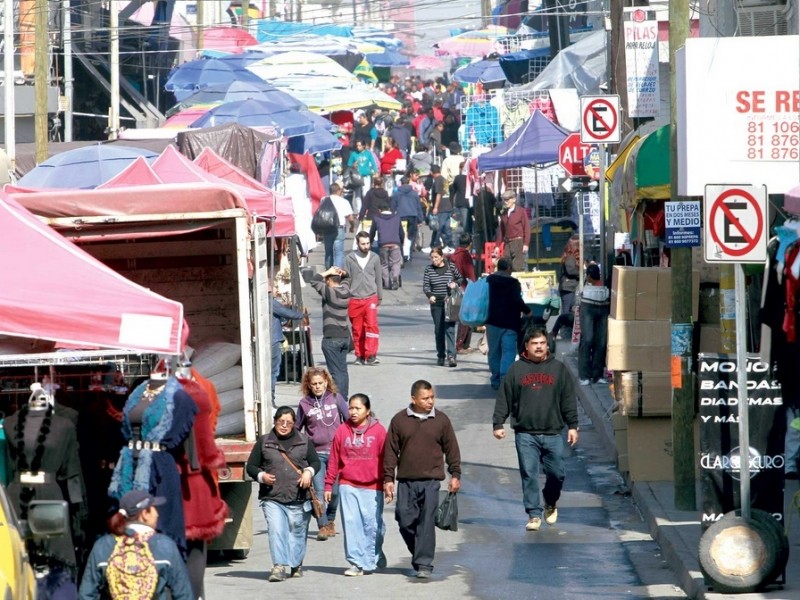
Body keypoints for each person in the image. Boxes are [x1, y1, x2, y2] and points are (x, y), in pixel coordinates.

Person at [492, 326, 579, 532]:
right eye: (534, 344)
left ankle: (550, 501)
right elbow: (505, 397)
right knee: (529, 474)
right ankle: (533, 513)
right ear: (526, 346)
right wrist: (498, 423)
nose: (539, 347)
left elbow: (568, 399)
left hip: (553, 432)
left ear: (547, 345)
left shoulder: (558, 369)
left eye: (542, 343)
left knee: (557, 474)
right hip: (525, 433)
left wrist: (573, 426)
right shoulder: (517, 370)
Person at [383, 380, 461, 579]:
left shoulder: (441, 420)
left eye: (432, 397)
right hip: (407, 481)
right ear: (413, 399)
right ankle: (419, 552)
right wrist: (388, 478)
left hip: (431, 482)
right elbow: (391, 451)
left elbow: (452, 449)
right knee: (404, 520)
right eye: (425, 398)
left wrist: (455, 474)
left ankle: (424, 563)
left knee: (426, 522)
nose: (430, 401)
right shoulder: (399, 420)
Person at [246, 406, 321, 582]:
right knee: (276, 530)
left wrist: (308, 472)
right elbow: (251, 466)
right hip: (272, 497)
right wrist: (261, 476)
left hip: (299, 498)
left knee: (297, 531)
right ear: (275, 422)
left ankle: (296, 564)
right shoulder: (264, 441)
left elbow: (316, 462)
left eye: (288, 422)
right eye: (281, 421)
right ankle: (278, 566)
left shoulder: (304, 440)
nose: (284, 425)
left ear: (294, 423)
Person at [79, 490, 194, 600]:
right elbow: (183, 594)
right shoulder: (165, 545)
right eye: (154, 509)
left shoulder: (102, 546)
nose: (158, 514)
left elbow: (86, 594)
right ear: (145, 514)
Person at [325, 393, 387, 576]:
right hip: (348, 484)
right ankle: (357, 563)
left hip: (372, 485)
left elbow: (387, 458)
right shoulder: (342, 431)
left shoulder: (379, 431)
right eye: (350, 408)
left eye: (357, 408)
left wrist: (388, 481)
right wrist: (329, 485)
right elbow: (334, 459)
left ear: (367, 411)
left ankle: (375, 552)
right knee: (351, 523)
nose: (352, 411)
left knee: (373, 526)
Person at [296, 367, 350, 541]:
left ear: (326, 382)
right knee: (319, 492)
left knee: (334, 493)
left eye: (320, 383)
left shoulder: (336, 399)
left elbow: (350, 420)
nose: (318, 387)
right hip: (316, 455)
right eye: (314, 384)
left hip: (337, 453)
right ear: (309, 386)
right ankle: (323, 525)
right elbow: (297, 428)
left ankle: (331, 518)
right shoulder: (304, 404)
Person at [486, 258, 532, 390]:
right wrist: (528, 311)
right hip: (510, 323)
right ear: (508, 269)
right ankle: (505, 380)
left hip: (492, 322)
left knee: (494, 352)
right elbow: (517, 301)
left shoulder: (489, 280)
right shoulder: (513, 283)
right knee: (508, 352)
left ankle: (495, 380)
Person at [308, 266, 352, 398]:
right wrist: (342, 272)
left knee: (336, 373)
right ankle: (344, 397)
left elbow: (313, 280)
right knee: (342, 371)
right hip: (344, 336)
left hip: (332, 337)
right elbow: (348, 278)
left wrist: (328, 272)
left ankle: (340, 399)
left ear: (328, 280)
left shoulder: (329, 292)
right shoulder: (346, 291)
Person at [344, 231, 383, 365]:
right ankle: (360, 355)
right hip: (354, 298)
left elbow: (378, 278)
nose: (366, 246)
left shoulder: (375, 258)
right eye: (363, 244)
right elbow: (346, 279)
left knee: (372, 326)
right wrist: (345, 295)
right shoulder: (349, 258)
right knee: (357, 328)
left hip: (370, 297)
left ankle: (371, 355)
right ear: (357, 243)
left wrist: (380, 296)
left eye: (368, 243)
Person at [422, 247, 463, 367]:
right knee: (439, 330)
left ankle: (451, 356)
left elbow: (460, 278)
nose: (434, 260)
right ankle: (441, 355)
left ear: (442, 257)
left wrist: (455, 284)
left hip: (449, 302)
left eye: (436, 257)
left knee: (450, 329)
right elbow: (426, 286)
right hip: (436, 303)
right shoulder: (429, 269)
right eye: (432, 257)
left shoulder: (451, 267)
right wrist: (430, 295)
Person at [578, 263, 610, 386]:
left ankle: (595, 375)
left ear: (588, 275)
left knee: (598, 342)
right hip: (592, 307)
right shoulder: (600, 284)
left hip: (597, 307)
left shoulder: (592, 283)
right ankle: (587, 375)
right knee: (589, 340)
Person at [270, 295, 304, 406]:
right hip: (273, 340)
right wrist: (301, 315)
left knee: (272, 372)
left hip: (271, 339)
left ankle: (270, 397)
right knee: (273, 372)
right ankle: (271, 398)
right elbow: (286, 313)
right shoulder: (270, 301)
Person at [449, 233, 476, 353]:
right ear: (470, 244)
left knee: (462, 317)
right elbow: (470, 274)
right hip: (465, 288)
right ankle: (460, 344)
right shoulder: (465, 256)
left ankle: (465, 344)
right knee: (465, 318)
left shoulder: (454, 255)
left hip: (455, 288)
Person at [369, 201, 405, 290]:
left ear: (379, 210)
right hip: (395, 243)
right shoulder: (396, 217)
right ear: (389, 209)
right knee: (396, 262)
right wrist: (401, 242)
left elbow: (372, 232)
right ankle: (395, 277)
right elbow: (401, 232)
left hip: (383, 244)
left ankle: (387, 283)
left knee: (384, 264)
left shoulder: (376, 218)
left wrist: (370, 242)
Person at [551, 235, 580, 340]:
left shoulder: (570, 256)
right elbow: (570, 271)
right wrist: (582, 272)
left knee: (568, 311)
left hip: (568, 287)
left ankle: (565, 332)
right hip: (568, 288)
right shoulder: (569, 257)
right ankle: (562, 332)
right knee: (567, 312)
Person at [392, 175, 425, 263]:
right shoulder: (414, 193)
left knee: (400, 235)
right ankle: (409, 253)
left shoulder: (397, 193)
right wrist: (420, 219)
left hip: (401, 216)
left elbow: (393, 207)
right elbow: (418, 207)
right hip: (412, 215)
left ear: (401, 183)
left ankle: (402, 254)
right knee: (411, 236)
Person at [496, 190, 530, 272]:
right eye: (504, 200)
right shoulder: (503, 212)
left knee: (517, 267)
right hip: (507, 243)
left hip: (518, 241)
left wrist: (526, 243)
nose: (506, 202)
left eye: (507, 199)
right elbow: (501, 230)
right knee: (506, 266)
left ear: (514, 199)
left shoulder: (521, 211)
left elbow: (527, 228)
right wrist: (497, 245)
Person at [323, 183, 354, 270]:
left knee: (328, 252)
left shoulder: (324, 200)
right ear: (339, 191)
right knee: (339, 252)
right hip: (339, 228)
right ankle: (338, 274)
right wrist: (352, 226)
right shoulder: (344, 201)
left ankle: (329, 272)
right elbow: (350, 218)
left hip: (327, 228)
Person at [347, 140, 378, 215]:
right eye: (357, 145)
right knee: (357, 195)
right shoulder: (354, 154)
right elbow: (349, 164)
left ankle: (366, 210)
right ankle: (359, 211)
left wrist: (375, 172)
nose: (358, 147)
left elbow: (373, 164)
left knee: (365, 193)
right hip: (356, 177)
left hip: (366, 176)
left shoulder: (368, 154)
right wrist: (353, 165)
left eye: (360, 145)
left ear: (364, 146)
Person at [430, 165, 453, 252]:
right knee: (446, 228)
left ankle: (435, 245)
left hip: (442, 207)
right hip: (447, 206)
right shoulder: (444, 179)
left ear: (432, 172)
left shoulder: (438, 180)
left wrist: (435, 207)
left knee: (438, 227)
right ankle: (450, 245)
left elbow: (439, 194)